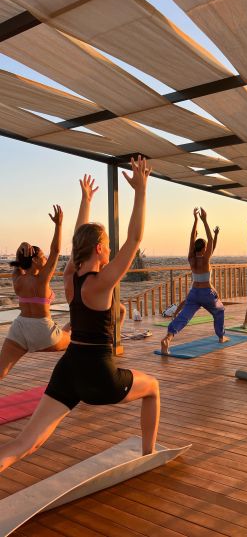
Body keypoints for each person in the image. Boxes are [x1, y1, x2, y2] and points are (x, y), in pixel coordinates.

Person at [0, 159, 160, 474]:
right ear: (100, 249)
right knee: (153, 387)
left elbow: (77, 245)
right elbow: (135, 239)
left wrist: (86, 202)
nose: (112, 250)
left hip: (69, 369)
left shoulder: (71, 276)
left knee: (26, 443)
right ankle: (148, 454)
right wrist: (141, 191)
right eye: (108, 246)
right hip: (100, 377)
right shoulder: (101, 284)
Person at [0, 206, 71, 380]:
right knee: (74, 340)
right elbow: (55, 251)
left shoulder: (17, 278)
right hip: (42, 330)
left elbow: (19, 261)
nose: (46, 259)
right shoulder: (42, 279)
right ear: (36, 260)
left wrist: (22, 246)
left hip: (20, 328)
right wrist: (59, 225)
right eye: (43, 257)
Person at [161, 207, 229, 354]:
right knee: (220, 311)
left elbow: (191, 239)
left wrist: (195, 220)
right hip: (207, 293)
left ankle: (168, 338)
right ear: (205, 248)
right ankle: (221, 336)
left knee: (184, 317)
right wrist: (204, 220)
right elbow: (211, 240)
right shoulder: (206, 259)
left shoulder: (191, 258)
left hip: (194, 293)